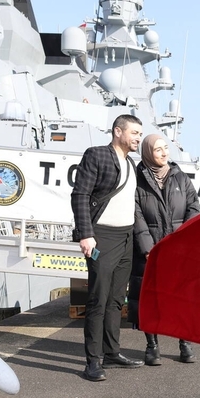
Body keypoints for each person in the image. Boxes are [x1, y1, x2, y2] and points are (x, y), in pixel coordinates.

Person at [71, 114, 145, 381]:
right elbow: (80, 194)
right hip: (102, 236)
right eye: (134, 132)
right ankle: (92, 362)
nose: (138, 137)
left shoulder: (131, 162)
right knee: (97, 300)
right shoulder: (97, 155)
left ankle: (112, 352)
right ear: (117, 131)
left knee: (116, 300)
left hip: (126, 238)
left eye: (140, 133)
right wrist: (86, 234)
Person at [128, 134, 200, 365]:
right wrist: (149, 248)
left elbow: (193, 207)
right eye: (158, 149)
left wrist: (182, 240)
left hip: (179, 251)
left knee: (182, 299)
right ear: (149, 152)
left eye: (166, 148)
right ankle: (152, 345)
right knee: (150, 299)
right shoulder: (137, 180)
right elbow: (135, 215)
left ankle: (185, 343)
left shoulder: (180, 177)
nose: (164, 153)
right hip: (150, 251)